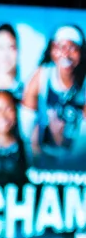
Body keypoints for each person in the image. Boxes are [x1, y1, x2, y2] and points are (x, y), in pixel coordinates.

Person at [22, 24, 86, 162]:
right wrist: (32, 150)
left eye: (73, 48)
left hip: (77, 156)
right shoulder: (42, 75)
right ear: (51, 50)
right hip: (42, 152)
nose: (66, 53)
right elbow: (26, 118)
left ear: (81, 53)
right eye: (60, 46)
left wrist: (75, 159)